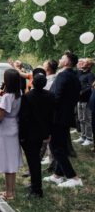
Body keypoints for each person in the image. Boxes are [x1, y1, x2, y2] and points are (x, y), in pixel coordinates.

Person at [44, 52, 83, 188]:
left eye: (62, 58)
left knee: (56, 148)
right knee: (60, 145)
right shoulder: (74, 76)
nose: (60, 59)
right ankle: (57, 175)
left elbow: (56, 96)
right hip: (66, 116)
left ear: (67, 62)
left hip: (57, 117)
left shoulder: (62, 75)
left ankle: (74, 177)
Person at [19, 73, 54, 198]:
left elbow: (24, 118)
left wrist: (21, 135)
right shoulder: (50, 95)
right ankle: (34, 184)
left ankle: (37, 190)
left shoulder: (28, 97)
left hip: (29, 134)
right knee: (34, 161)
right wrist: (49, 132)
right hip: (41, 133)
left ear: (32, 83)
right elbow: (51, 116)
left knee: (33, 161)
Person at [0, 69, 23, 200]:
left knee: (8, 162)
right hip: (14, 124)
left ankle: (9, 193)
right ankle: (10, 190)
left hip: (6, 128)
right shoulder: (18, 93)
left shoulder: (6, 97)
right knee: (11, 162)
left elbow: (0, 114)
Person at [74, 58, 94, 146]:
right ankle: (83, 136)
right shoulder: (81, 73)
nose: (82, 63)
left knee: (87, 119)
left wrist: (81, 92)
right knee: (81, 119)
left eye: (85, 62)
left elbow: (90, 86)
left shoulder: (90, 75)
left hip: (87, 100)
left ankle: (89, 138)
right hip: (79, 100)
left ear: (89, 65)